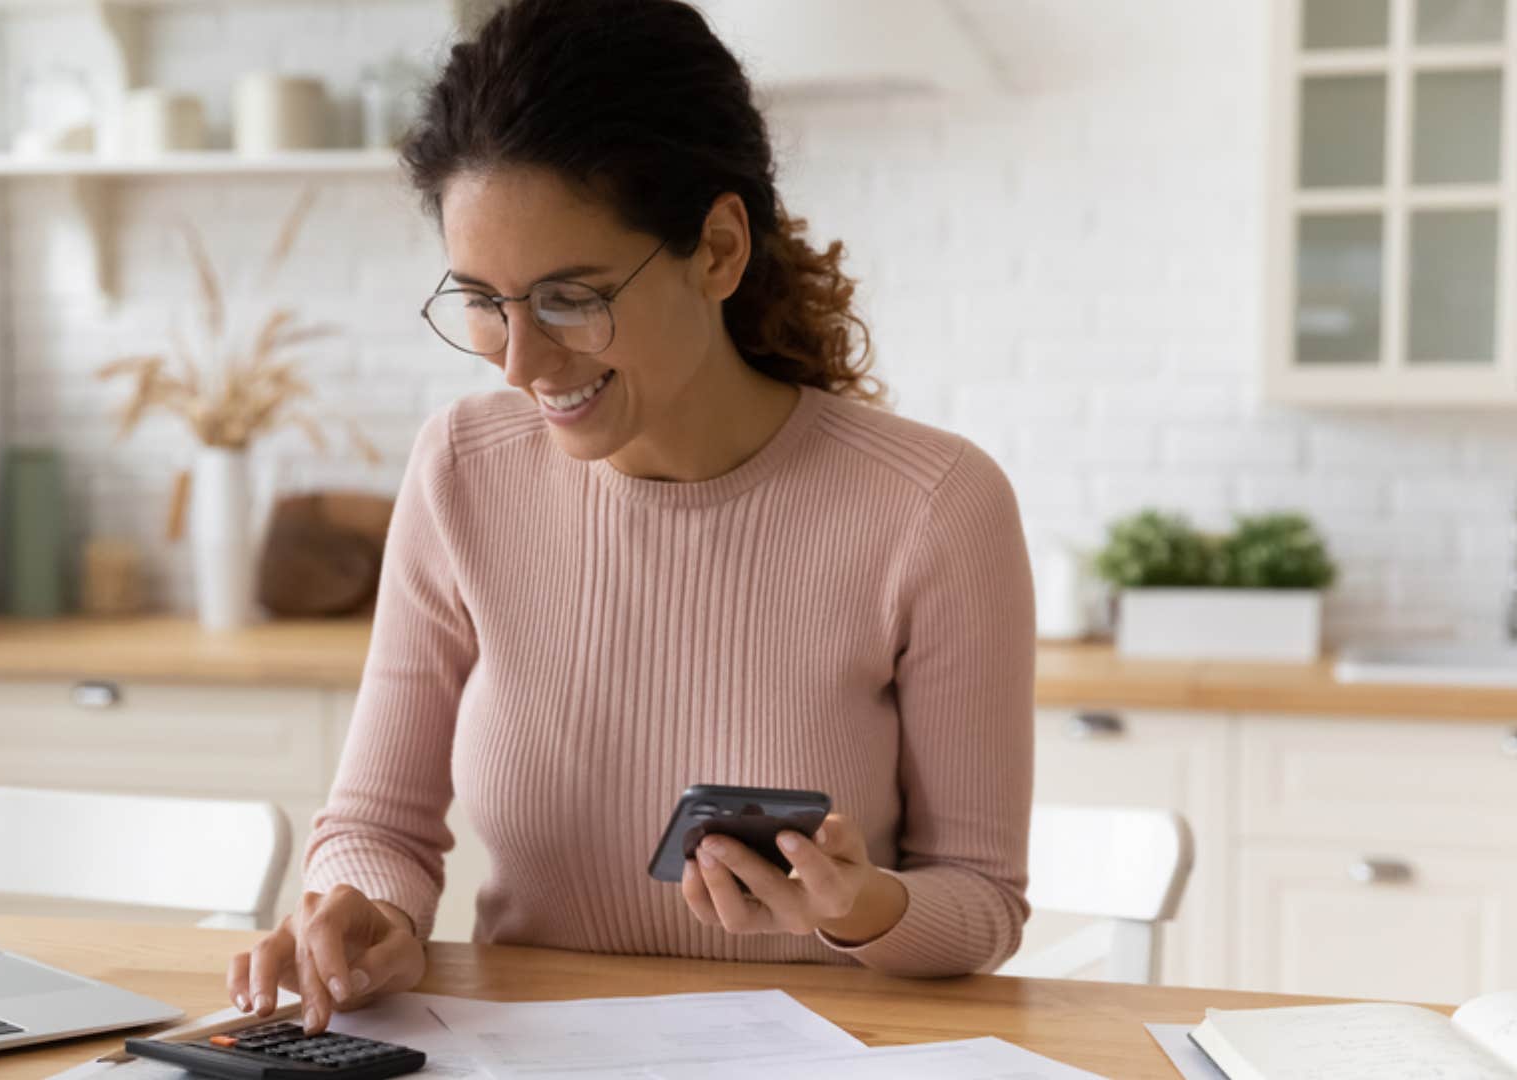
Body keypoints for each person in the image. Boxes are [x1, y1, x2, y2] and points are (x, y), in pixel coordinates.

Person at [229, 0, 1035, 1034]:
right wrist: (367, 912)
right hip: (519, 1055)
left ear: (718, 249)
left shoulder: (932, 506)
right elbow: (380, 823)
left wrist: (865, 907)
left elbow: (982, 902)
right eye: (482, 299)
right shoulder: (464, 469)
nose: (520, 363)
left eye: (570, 298)